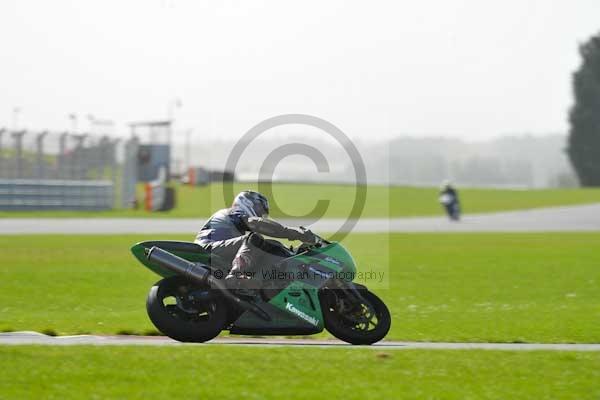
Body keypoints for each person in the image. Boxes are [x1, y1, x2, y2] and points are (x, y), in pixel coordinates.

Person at [195, 190, 317, 289]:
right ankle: (234, 276)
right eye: (259, 210)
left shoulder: (236, 222)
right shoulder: (233, 212)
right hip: (207, 248)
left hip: (219, 251)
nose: (261, 215)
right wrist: (295, 233)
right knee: (255, 238)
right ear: (246, 203)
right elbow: (256, 224)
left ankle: (258, 283)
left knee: (270, 245)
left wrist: (293, 251)